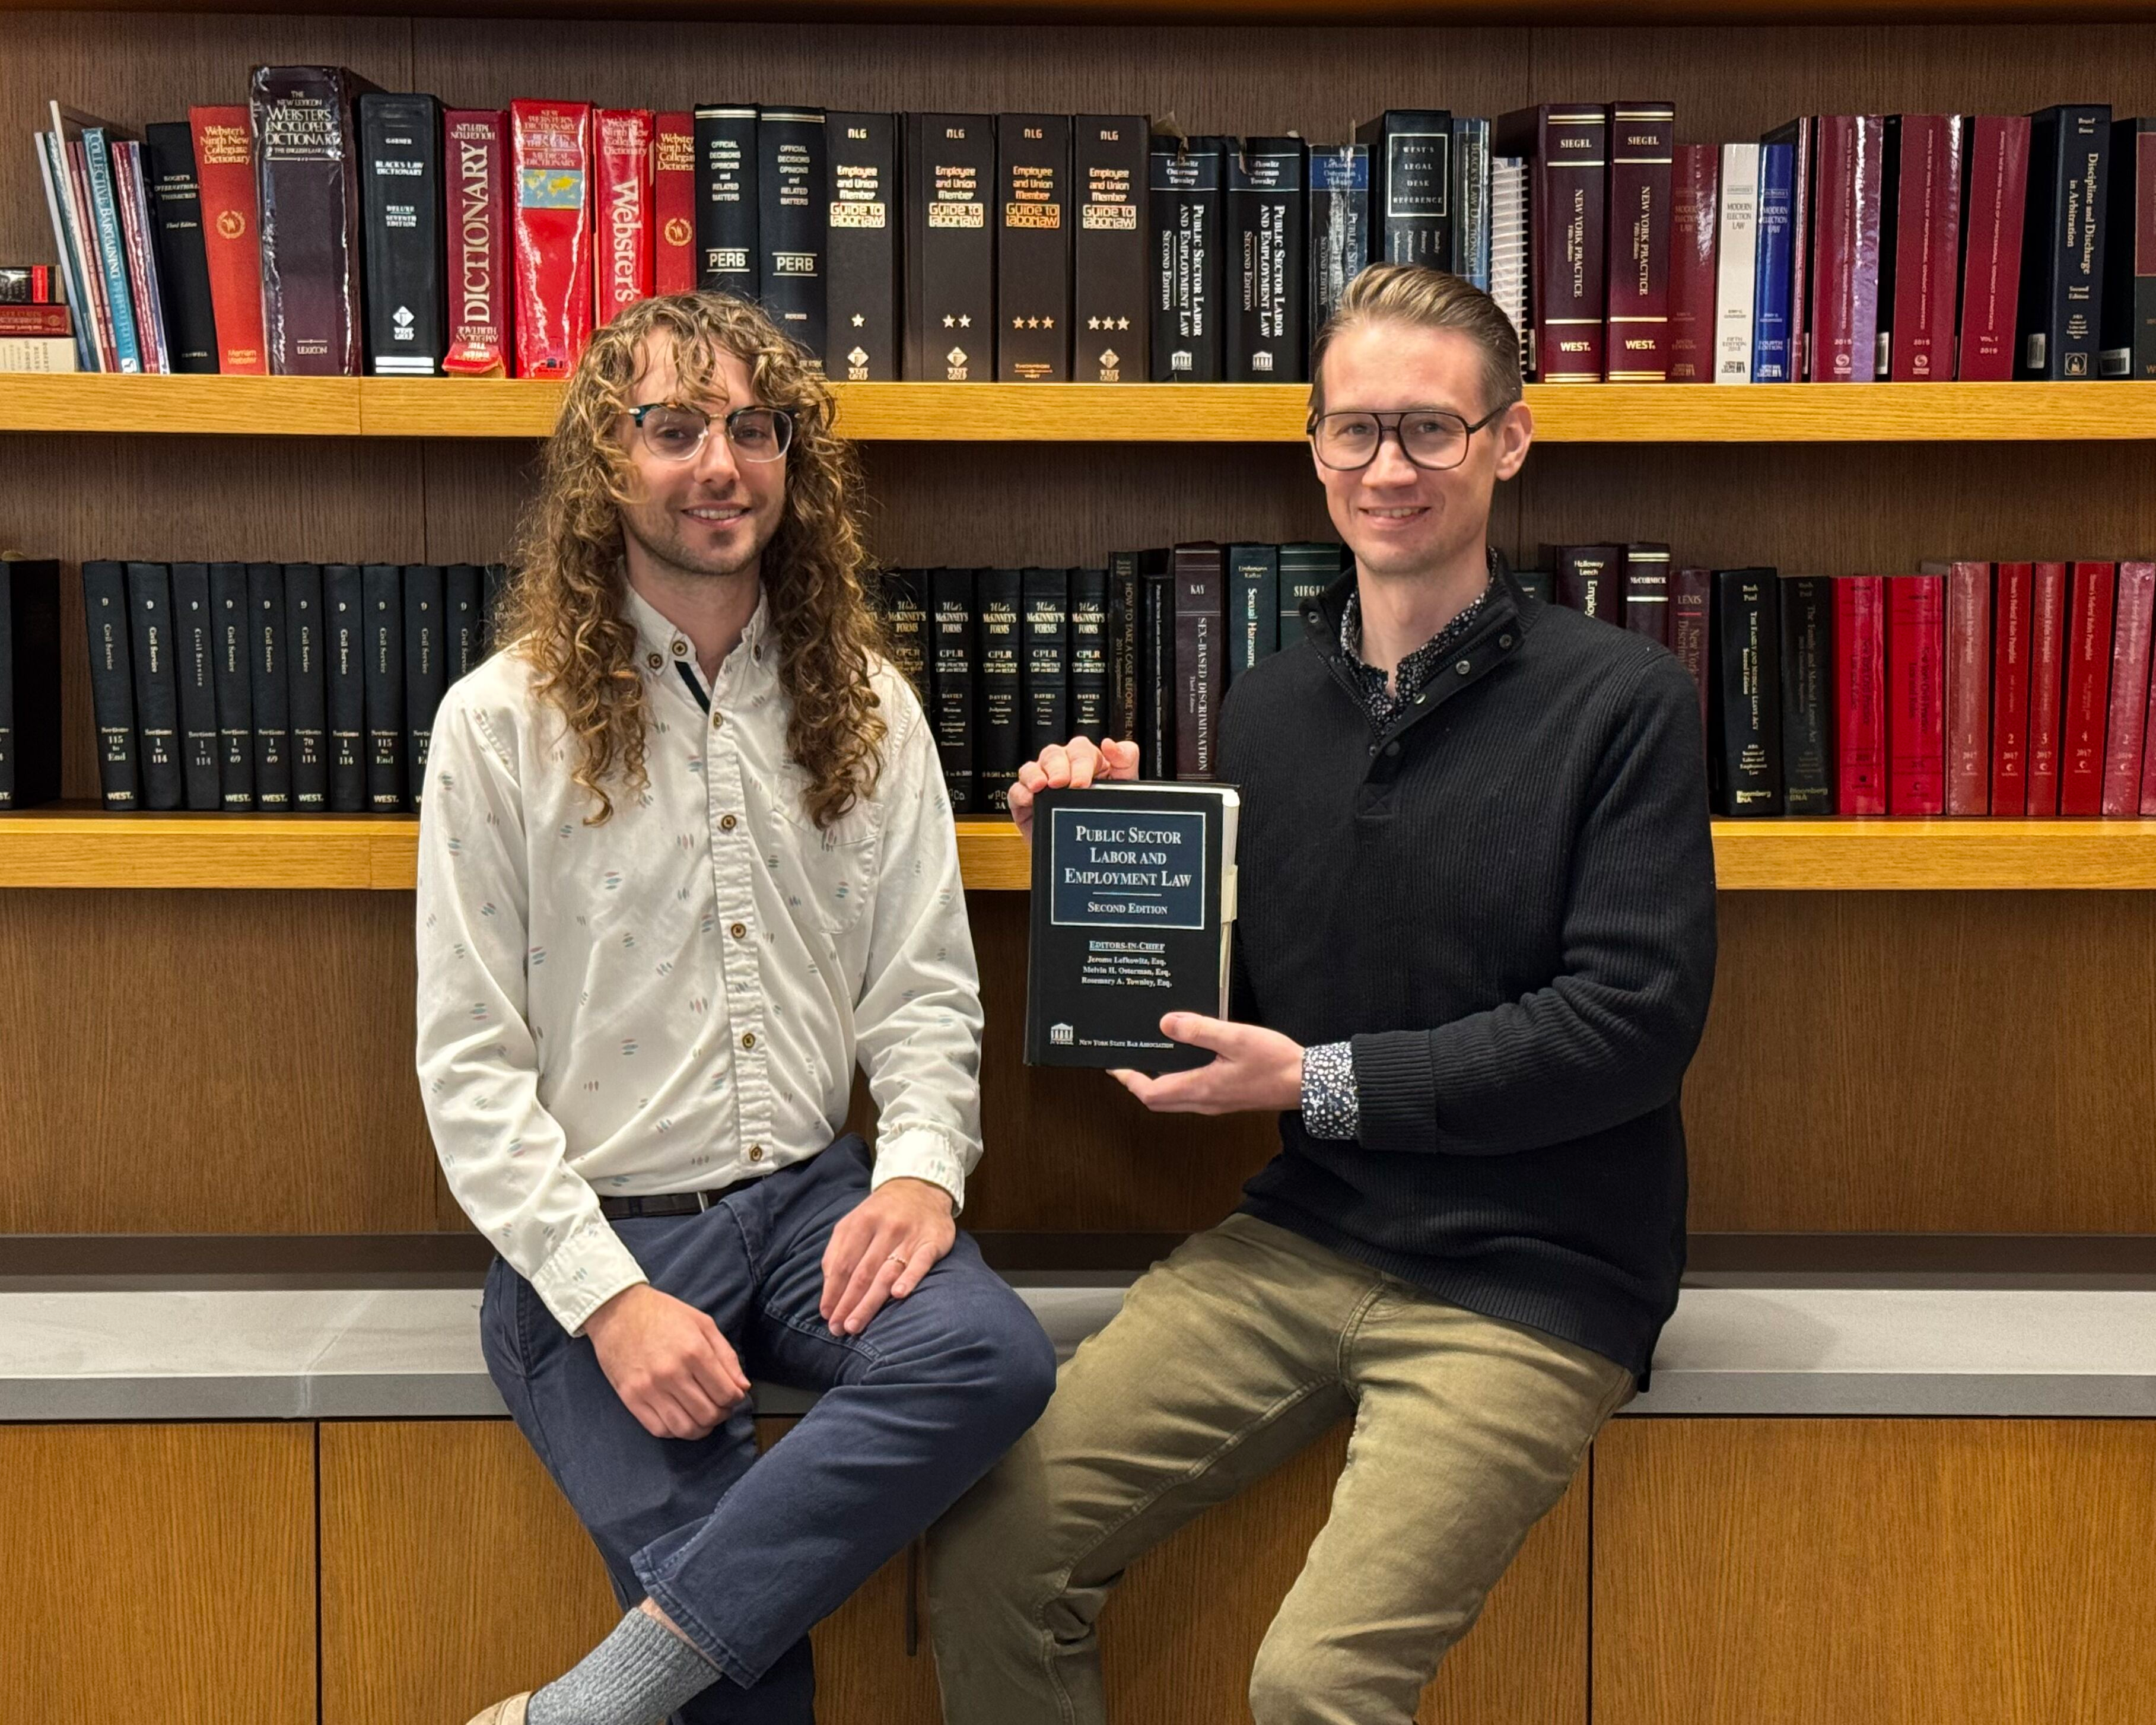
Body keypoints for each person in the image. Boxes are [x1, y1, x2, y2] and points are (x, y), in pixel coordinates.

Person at [928, 262, 1718, 1725]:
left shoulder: (1623, 700)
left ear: (1509, 440)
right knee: (988, 1556)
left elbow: (1627, 1027)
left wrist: (1316, 1084)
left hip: (1534, 1279)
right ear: (1312, 449)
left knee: (1311, 1686)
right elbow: (1237, 1008)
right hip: (1300, 1239)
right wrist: (1096, 867)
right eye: (1352, 431)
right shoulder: (1265, 707)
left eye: (1428, 428)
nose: (1387, 467)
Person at [415, 290, 1056, 1725]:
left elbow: (925, 995)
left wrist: (919, 1177)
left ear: (792, 463)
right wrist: (615, 1301)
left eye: (753, 429)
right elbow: (466, 1070)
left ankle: (584, 1706)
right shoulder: (499, 723)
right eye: (672, 427)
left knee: (990, 1356)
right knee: (748, 1700)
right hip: (600, 1244)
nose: (720, 462)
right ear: (604, 463)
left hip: (812, 1210)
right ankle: (655, 1685)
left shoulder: (871, 709)